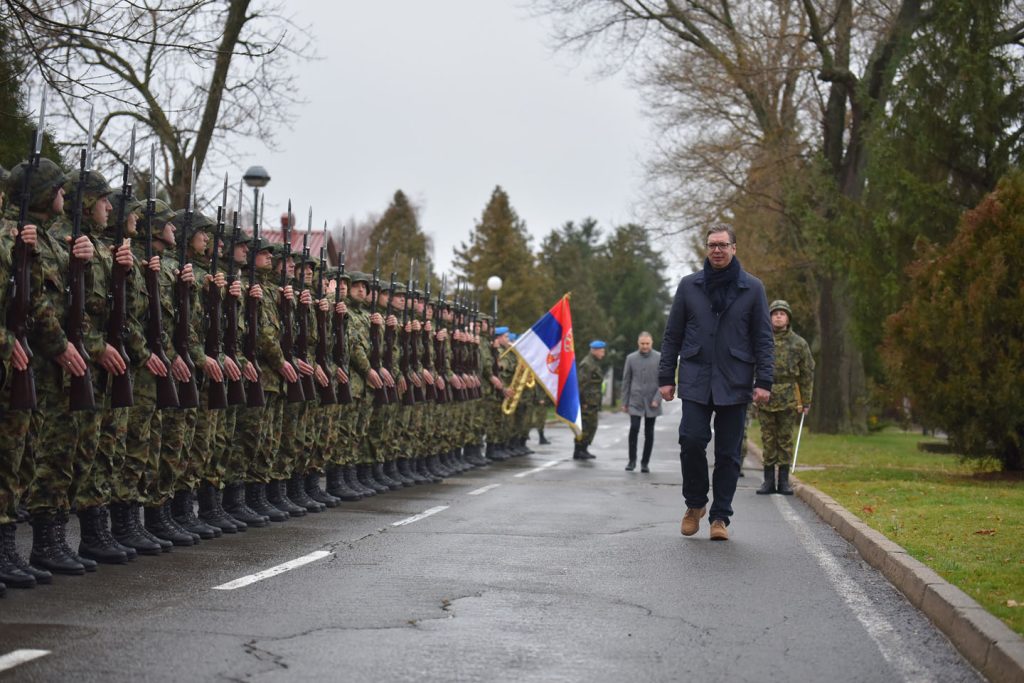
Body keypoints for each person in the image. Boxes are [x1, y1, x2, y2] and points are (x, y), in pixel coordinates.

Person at [658, 225, 774, 541]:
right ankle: (695, 504)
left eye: (723, 245)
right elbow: (673, 335)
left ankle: (720, 516)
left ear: (734, 248)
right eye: (712, 245)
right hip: (696, 377)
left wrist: (764, 380)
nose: (717, 250)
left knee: (728, 453)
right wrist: (666, 377)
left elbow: (763, 338)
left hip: (735, 380)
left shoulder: (752, 288)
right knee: (691, 440)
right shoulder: (689, 286)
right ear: (706, 249)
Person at [757, 300, 813, 496]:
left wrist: (806, 400)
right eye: (775, 313)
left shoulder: (799, 343)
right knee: (768, 439)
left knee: (785, 439)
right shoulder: (761, 339)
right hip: (765, 395)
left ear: (788, 318)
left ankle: (784, 481)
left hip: (788, 396)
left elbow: (807, 373)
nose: (778, 316)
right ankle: (768, 481)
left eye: (782, 313)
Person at [620, 332, 662, 472]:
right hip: (635, 400)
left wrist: (657, 399)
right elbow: (626, 381)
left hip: (652, 401)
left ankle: (645, 463)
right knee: (634, 428)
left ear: (652, 343)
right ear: (638, 343)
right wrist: (624, 402)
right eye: (642, 344)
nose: (645, 346)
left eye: (647, 344)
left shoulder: (659, 357)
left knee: (649, 432)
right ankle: (632, 461)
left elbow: (663, 381)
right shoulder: (631, 358)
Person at [574, 340, 606, 460]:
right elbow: (581, 384)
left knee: (591, 426)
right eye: (601, 351)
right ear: (595, 351)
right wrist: (582, 402)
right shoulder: (587, 364)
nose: (603, 353)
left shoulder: (594, 363)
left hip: (592, 401)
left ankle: (584, 448)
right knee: (586, 426)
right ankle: (579, 450)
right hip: (586, 402)